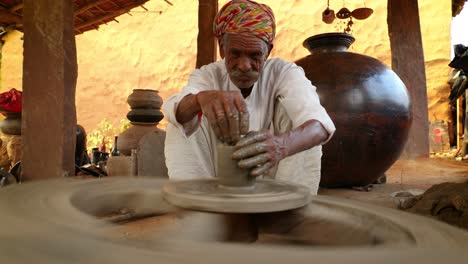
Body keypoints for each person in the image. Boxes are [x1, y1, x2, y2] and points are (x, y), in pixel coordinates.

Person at [162, 0, 335, 194]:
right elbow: (176, 108)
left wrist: (281, 146)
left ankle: (288, 209)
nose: (244, 65)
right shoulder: (208, 75)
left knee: (302, 126)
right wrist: (200, 99)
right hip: (216, 181)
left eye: (254, 55)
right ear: (221, 48)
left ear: (267, 51)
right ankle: (196, 201)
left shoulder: (283, 72)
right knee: (182, 116)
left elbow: (320, 125)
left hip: (274, 178)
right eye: (235, 54)